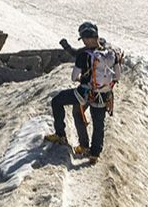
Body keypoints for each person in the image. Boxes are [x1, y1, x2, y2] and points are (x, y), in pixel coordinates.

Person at [45, 21, 122, 162]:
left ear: (87, 38)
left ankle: (63, 136)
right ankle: (94, 154)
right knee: (98, 123)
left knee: (58, 101)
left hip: (84, 93)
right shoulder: (110, 54)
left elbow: (73, 77)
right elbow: (117, 76)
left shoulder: (83, 55)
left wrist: (82, 79)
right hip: (103, 94)